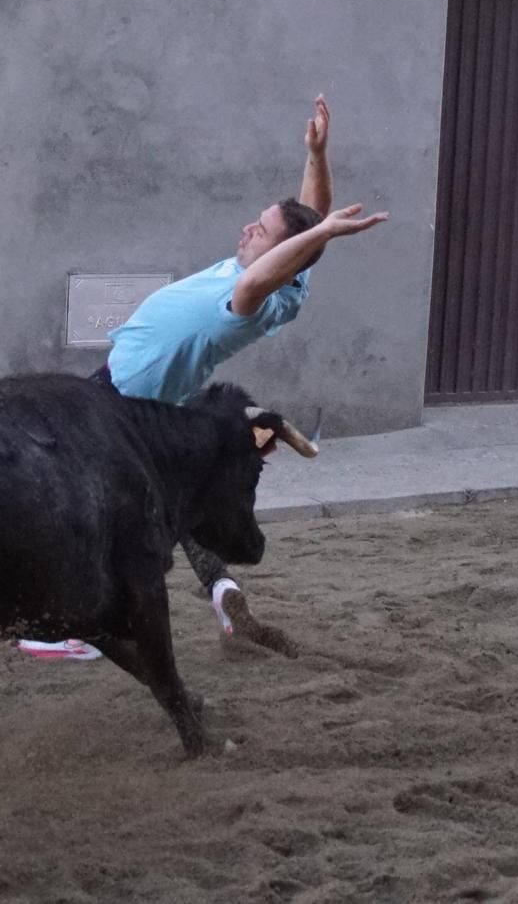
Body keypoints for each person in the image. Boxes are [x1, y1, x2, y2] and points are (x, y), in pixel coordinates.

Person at [98, 95, 388, 655]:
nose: (247, 229)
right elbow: (307, 219)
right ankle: (223, 589)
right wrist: (317, 155)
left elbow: (290, 250)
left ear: (278, 256)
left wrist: (322, 231)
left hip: (128, 402)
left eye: (259, 230)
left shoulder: (256, 294)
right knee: (174, 504)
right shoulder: (288, 277)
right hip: (149, 395)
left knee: (106, 506)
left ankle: (91, 626)